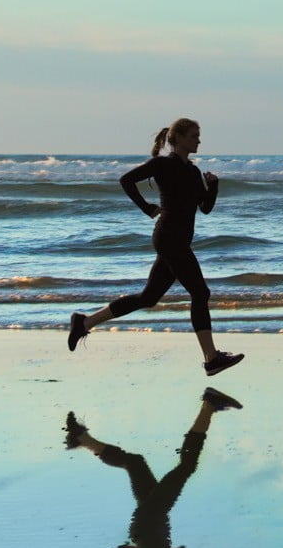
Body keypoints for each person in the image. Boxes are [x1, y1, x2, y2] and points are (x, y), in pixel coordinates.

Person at [71, 118, 244, 376]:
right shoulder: (162, 165)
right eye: (194, 135)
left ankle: (85, 322)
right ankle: (211, 357)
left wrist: (213, 186)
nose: (199, 140)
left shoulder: (193, 172)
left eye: (199, 135)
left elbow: (205, 209)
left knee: (148, 298)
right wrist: (147, 208)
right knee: (200, 293)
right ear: (179, 138)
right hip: (169, 238)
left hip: (178, 240)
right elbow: (126, 180)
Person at [68, 390, 234, 548]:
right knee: (135, 462)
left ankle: (209, 405)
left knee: (187, 466)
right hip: (145, 525)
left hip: (153, 518)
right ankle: (83, 440)